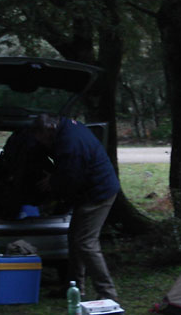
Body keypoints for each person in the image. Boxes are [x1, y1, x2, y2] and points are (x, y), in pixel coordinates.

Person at [33, 113, 120, 301]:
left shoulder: (69, 142)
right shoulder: (67, 127)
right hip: (91, 190)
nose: (46, 144)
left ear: (50, 129)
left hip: (99, 193)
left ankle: (107, 294)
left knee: (86, 243)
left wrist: (53, 184)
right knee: (74, 238)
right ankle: (74, 288)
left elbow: (71, 177)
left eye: (45, 140)